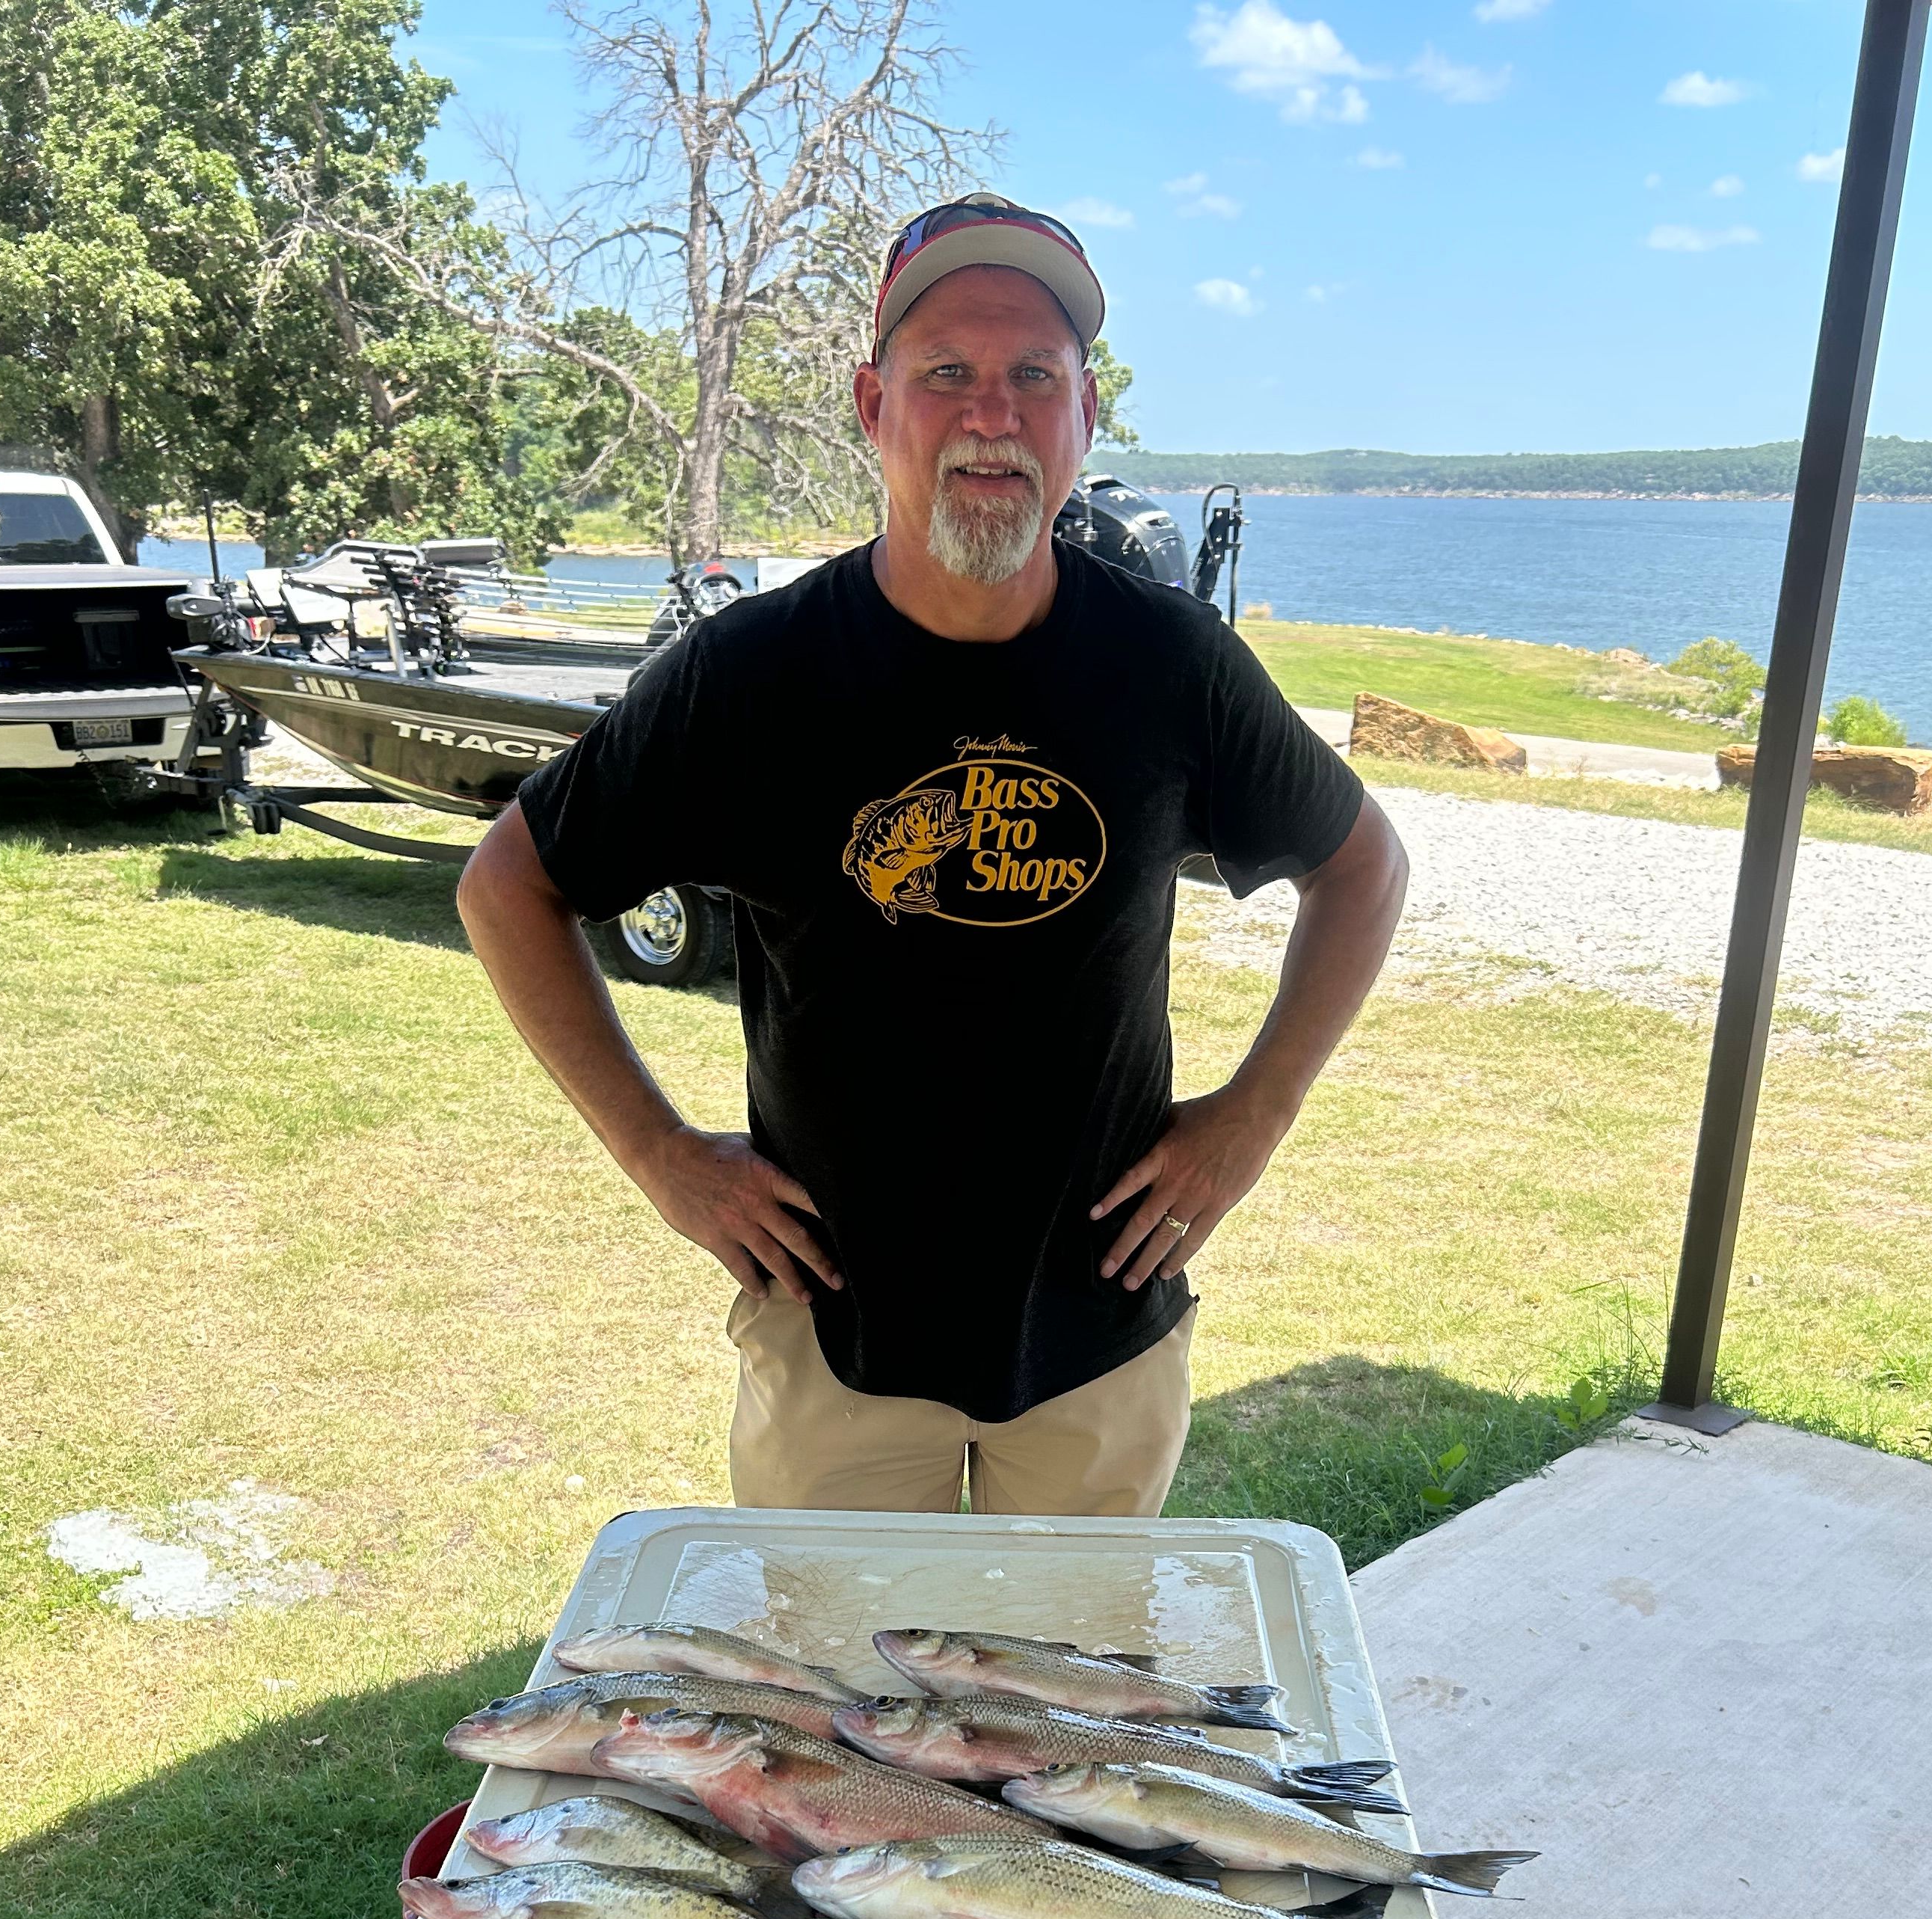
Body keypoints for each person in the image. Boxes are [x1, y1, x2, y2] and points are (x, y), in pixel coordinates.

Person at [458, 191, 1407, 1517]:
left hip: (1099, 1333)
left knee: (1060, 1708)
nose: (992, 415)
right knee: (833, 1708)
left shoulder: (1173, 665)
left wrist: (1258, 1114)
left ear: (1083, 415)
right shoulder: (753, 676)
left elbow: (1362, 868)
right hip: (836, 1338)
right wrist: (658, 1152)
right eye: (946, 373)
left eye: (1036, 376)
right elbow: (510, 883)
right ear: (871, 404)